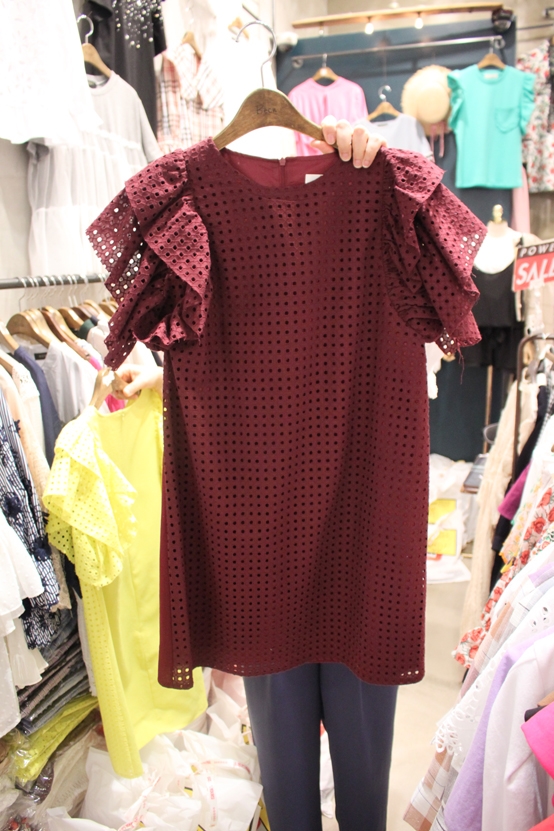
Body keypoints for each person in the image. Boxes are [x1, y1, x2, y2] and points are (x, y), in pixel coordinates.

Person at [111, 118, 392, 831]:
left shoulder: (390, 193)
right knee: (288, 788)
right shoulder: (183, 200)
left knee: (361, 790)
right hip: (257, 533)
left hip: (360, 523)